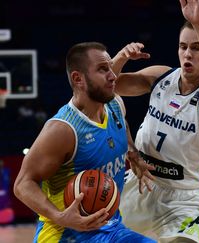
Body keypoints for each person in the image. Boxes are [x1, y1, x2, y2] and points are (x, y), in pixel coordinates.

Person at [114, 0, 199, 242]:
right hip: (139, 184)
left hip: (182, 199)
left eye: (197, 47)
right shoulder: (161, 76)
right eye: (183, 46)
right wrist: (120, 57)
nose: (188, 53)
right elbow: (107, 87)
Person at [13, 42, 155, 242]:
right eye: (102, 69)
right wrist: (60, 217)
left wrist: (133, 154)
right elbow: (22, 184)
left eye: (110, 68)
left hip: (111, 229)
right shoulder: (62, 130)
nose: (113, 76)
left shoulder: (115, 105)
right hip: (66, 235)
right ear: (78, 79)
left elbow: (122, 127)